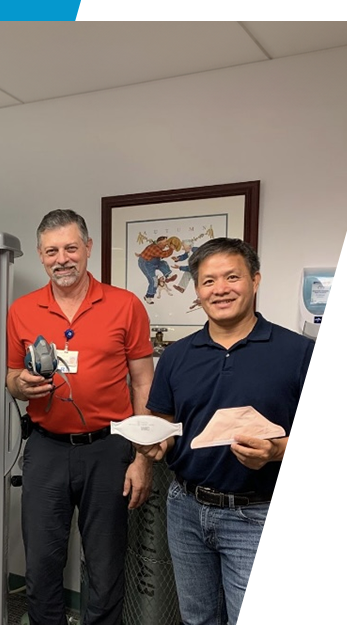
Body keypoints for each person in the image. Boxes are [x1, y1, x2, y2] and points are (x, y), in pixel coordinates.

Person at [134, 237, 315, 625]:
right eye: (208, 281)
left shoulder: (298, 352)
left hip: (262, 512)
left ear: (255, 280)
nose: (220, 289)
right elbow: (167, 421)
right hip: (185, 508)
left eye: (232, 277)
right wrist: (157, 441)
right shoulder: (176, 356)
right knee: (197, 618)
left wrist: (276, 451)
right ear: (197, 290)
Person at [6, 209, 155, 625]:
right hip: (46, 448)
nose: (62, 259)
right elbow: (11, 376)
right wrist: (20, 386)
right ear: (40, 255)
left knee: (106, 566)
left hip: (109, 449)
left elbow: (143, 384)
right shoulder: (22, 310)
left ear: (88, 249)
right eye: (52, 251)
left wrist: (142, 457)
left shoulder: (125, 305)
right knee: (41, 563)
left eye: (71, 248)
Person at [135, 236, 177, 304]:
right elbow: (164, 254)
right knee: (154, 280)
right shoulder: (154, 248)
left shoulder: (158, 247)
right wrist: (171, 249)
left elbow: (161, 254)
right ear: (160, 242)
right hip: (146, 264)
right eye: (165, 243)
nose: (166, 244)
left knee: (163, 263)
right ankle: (148, 296)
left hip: (153, 261)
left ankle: (168, 276)